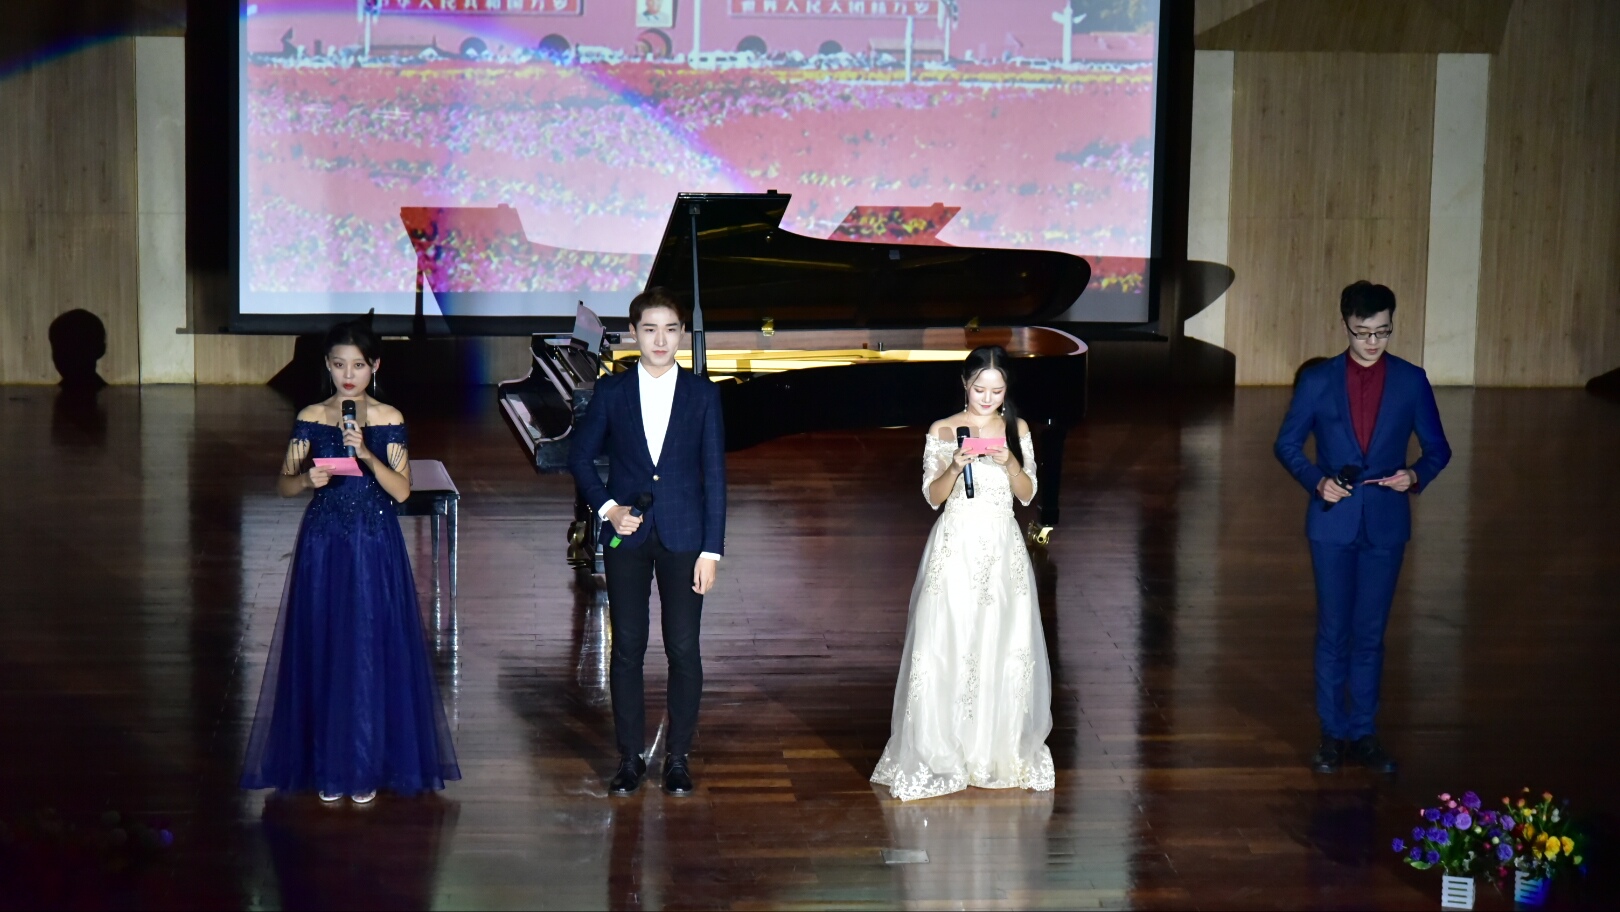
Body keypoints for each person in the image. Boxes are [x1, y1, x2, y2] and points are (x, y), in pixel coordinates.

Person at [241, 321, 460, 803]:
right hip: (324, 542)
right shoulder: (312, 416)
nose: (348, 375)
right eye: (339, 364)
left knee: (367, 645)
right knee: (325, 642)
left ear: (374, 367)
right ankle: (327, 761)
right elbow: (284, 483)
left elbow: (402, 491)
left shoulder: (387, 417)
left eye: (358, 365)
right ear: (327, 365)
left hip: (375, 542)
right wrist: (306, 481)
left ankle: (366, 761)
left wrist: (365, 453)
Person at [1274, 281, 1451, 775]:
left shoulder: (1411, 381)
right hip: (1332, 523)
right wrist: (1317, 481)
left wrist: (1414, 475)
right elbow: (1286, 444)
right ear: (1346, 325)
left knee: (1370, 633)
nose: (1373, 342)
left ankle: (1364, 732)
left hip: (1386, 524)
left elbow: (1438, 448)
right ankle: (1332, 733)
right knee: (1334, 631)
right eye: (1363, 332)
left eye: (1383, 332)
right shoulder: (1318, 380)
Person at [871, 345, 1055, 801]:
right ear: (964, 385)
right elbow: (932, 497)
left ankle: (993, 748)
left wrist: (1009, 462)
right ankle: (942, 746)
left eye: (997, 390)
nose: (988, 399)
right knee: (946, 641)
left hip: (1002, 547)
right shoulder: (943, 429)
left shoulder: (1017, 429)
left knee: (1001, 642)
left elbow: (1028, 494)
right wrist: (954, 465)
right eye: (979, 389)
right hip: (956, 546)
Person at [568, 287, 726, 797]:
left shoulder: (703, 395)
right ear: (634, 333)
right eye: (650, 329)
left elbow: (715, 477)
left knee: (683, 648)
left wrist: (711, 550)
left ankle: (678, 758)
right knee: (628, 648)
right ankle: (630, 757)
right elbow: (579, 457)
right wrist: (608, 509)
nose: (661, 340)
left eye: (670, 329)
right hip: (626, 538)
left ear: (681, 334)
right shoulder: (612, 392)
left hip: (685, 538)